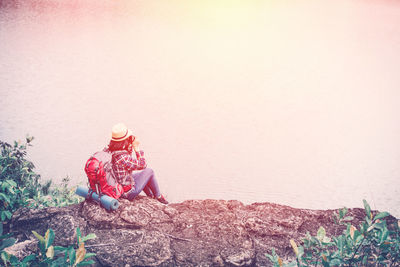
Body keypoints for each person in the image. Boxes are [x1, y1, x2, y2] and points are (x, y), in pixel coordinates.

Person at [107, 123, 168, 204]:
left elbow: (128, 164)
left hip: (116, 185)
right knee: (149, 171)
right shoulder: (122, 158)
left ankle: (152, 196)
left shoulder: (109, 150)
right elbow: (143, 164)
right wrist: (136, 148)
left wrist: (128, 146)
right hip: (127, 192)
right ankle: (158, 197)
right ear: (125, 140)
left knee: (143, 174)